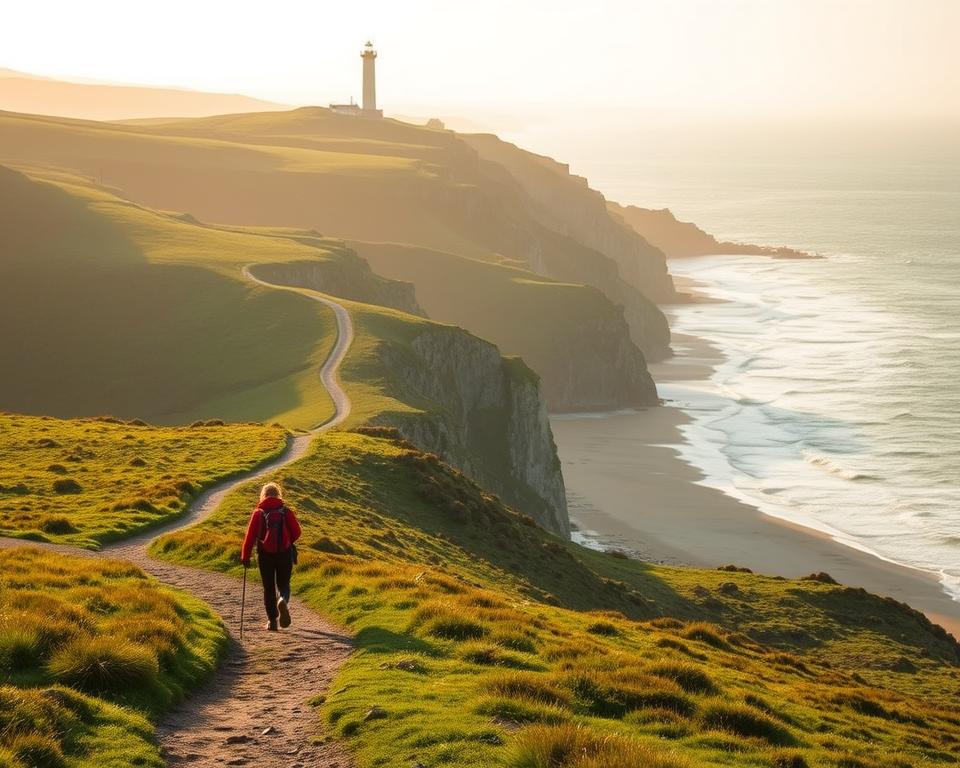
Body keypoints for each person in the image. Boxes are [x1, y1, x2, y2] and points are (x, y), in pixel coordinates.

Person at [241, 482, 302, 631]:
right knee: (284, 584)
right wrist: (288, 540)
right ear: (278, 495)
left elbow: (249, 537)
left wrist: (245, 556)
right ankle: (282, 601)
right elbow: (297, 532)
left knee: (268, 587)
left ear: (263, 495)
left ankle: (272, 622)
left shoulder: (258, 513)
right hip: (284, 553)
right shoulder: (285, 511)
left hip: (265, 555)